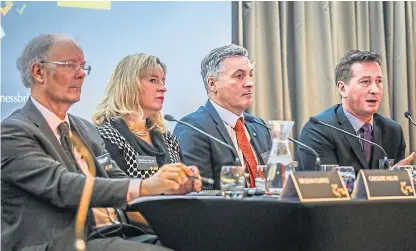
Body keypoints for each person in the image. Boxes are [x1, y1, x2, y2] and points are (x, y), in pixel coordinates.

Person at [1, 34, 200, 251]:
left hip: (115, 233)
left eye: (83, 67)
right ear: (38, 72)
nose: (80, 75)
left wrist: (168, 188)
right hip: (62, 243)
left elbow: (115, 178)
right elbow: (62, 186)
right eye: (70, 65)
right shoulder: (13, 132)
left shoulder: (85, 129)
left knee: (206, 242)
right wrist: (146, 185)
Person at [92, 53, 200, 230]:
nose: (163, 88)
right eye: (153, 80)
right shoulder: (108, 136)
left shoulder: (168, 138)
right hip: (136, 233)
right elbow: (118, 200)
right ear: (128, 85)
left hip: (178, 225)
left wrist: (188, 183)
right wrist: (172, 227)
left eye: (163, 81)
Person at [297, 49, 415, 172]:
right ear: (342, 89)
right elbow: (325, 187)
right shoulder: (319, 129)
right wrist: (387, 180)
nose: (375, 90)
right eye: (365, 82)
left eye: (379, 81)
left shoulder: (392, 131)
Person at [173, 44, 272, 189]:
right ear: (212, 84)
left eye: (250, 75)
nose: (250, 83)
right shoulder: (193, 129)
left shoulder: (259, 126)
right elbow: (198, 194)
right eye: (239, 76)